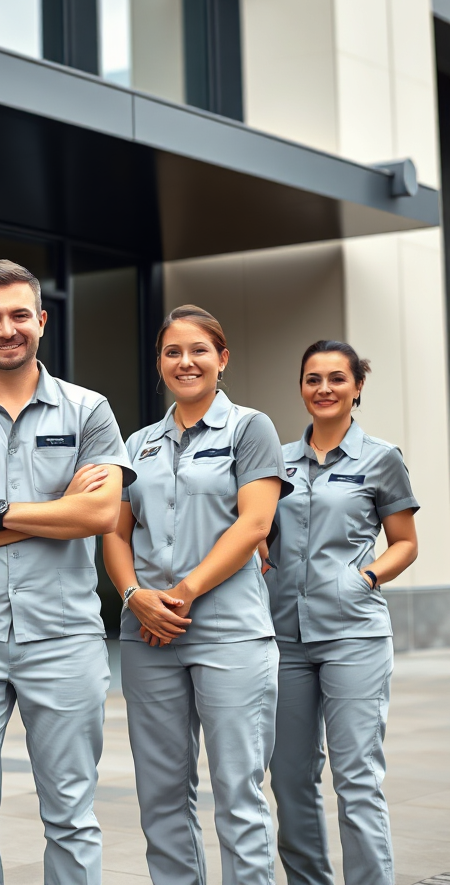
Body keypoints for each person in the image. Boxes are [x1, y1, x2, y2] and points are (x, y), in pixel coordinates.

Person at [0, 259, 132, 885]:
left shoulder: (89, 410)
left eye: (18, 315)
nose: (5, 329)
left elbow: (98, 513)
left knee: (70, 812)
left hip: (63, 637)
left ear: (41, 320)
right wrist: (56, 511)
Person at [102, 304, 289, 885]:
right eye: (172, 352)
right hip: (147, 636)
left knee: (238, 795)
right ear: (159, 365)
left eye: (199, 350)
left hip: (229, 633)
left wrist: (178, 595)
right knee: (160, 797)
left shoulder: (250, 428)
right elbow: (114, 529)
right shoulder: (138, 443)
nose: (186, 362)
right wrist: (134, 596)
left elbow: (254, 525)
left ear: (222, 358)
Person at [265, 341, 418, 885]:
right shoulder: (276, 460)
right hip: (283, 638)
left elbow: (404, 542)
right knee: (289, 778)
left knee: (356, 778)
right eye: (312, 379)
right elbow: (260, 533)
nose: (323, 389)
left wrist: (366, 577)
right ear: (301, 387)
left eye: (336, 378)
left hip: (354, 634)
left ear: (357, 387)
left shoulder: (381, 458)